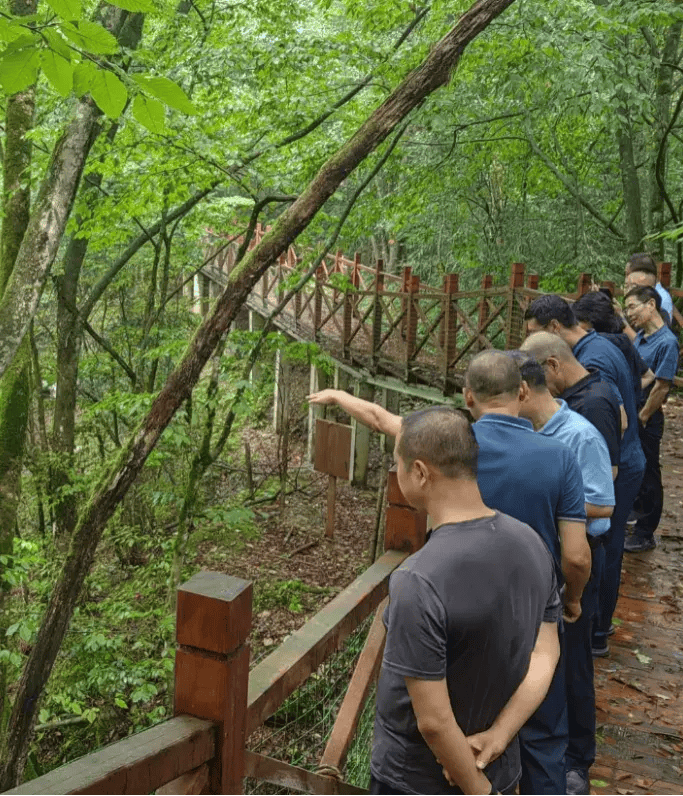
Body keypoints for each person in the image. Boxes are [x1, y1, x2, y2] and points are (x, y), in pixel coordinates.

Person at [309, 354, 590, 795]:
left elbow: (435, 722)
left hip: (417, 779)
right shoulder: (533, 545)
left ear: (420, 472)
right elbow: (544, 654)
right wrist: (499, 735)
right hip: (502, 766)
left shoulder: (418, 579)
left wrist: (476, 788)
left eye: (399, 466)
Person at [510, 352, 614, 796]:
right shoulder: (531, 434)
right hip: (540, 563)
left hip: (579, 562)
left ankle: (576, 762)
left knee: (572, 666)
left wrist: (557, 496)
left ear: (521, 391)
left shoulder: (579, 436)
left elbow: (604, 505)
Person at [519, 332, 640, 659]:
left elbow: (603, 502)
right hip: (561, 547)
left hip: (584, 547)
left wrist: (542, 504)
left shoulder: (588, 415)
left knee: (573, 655)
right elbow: (625, 418)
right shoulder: (568, 407)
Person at [622, 286, 680, 552]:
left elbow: (662, 386)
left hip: (647, 416)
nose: (629, 313)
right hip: (634, 412)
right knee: (634, 467)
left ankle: (646, 532)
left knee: (648, 473)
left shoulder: (667, 342)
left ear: (651, 305)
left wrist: (643, 417)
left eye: (632, 306)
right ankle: (634, 518)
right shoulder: (641, 338)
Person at [573, 290, 655, 407]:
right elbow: (649, 376)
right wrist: (629, 393)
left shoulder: (595, 346)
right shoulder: (623, 341)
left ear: (590, 321)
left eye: (578, 321)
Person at [624, 253, 674, 329]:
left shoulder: (659, 306)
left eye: (635, 287)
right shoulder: (636, 306)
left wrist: (623, 325)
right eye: (627, 286)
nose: (629, 291)